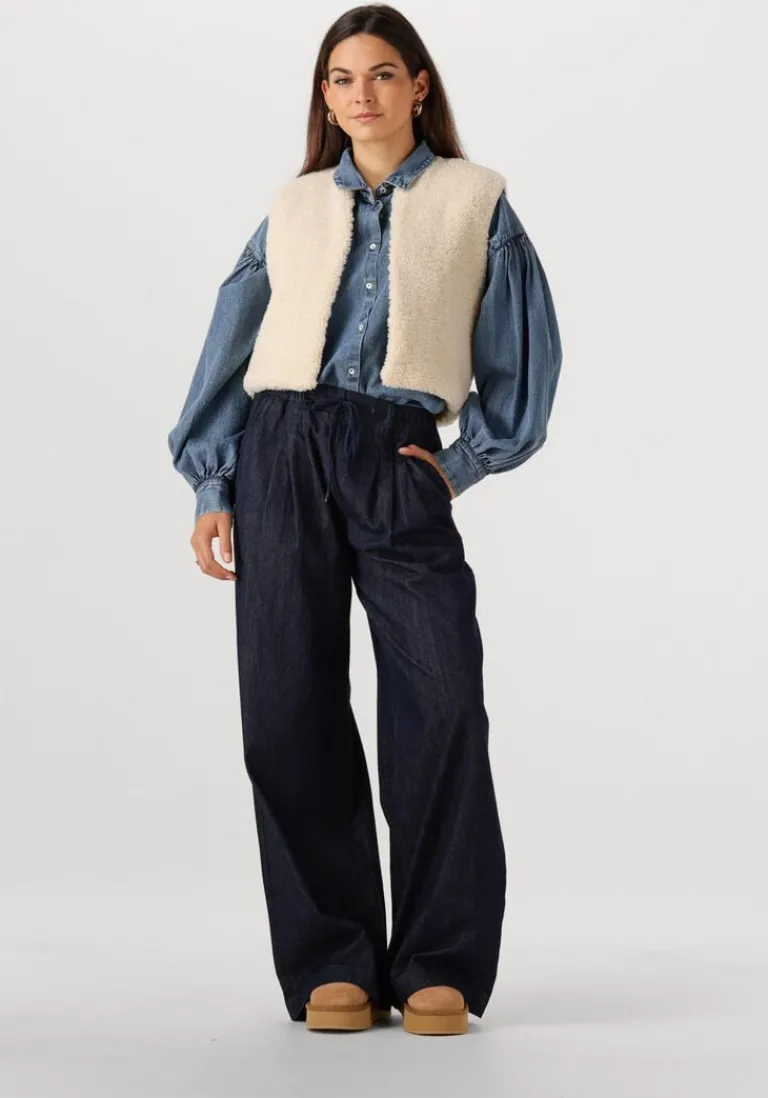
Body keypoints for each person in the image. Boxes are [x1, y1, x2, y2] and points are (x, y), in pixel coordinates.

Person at [167, 4, 562, 1037]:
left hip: (397, 457)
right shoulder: (294, 206)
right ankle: (332, 958)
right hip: (280, 451)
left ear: (419, 85)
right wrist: (213, 486)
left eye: (383, 74)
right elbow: (231, 342)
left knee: (443, 700)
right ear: (325, 96)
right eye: (341, 79)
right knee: (286, 707)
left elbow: (522, 360)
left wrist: (460, 465)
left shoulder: (477, 200)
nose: (362, 95)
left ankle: (437, 961)